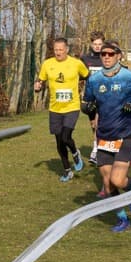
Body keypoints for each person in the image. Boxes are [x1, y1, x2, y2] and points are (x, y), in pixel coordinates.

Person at [80, 41, 131, 232]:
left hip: (126, 134)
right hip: (104, 135)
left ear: (118, 55)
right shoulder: (94, 79)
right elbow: (85, 104)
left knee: (118, 180)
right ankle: (122, 219)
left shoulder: (130, 77)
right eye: (103, 53)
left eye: (110, 54)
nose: (106, 56)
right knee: (107, 182)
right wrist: (89, 108)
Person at [34, 37, 90, 181]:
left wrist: (88, 94)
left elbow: (88, 76)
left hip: (72, 107)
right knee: (59, 141)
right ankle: (67, 171)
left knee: (66, 136)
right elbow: (41, 81)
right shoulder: (47, 64)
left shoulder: (76, 64)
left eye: (61, 50)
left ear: (67, 50)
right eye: (55, 50)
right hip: (55, 108)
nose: (58, 52)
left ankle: (75, 153)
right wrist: (38, 86)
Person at [80, 31, 106, 164]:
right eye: (95, 44)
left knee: (98, 123)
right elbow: (79, 75)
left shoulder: (106, 57)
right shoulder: (85, 59)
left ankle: (96, 151)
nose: (97, 46)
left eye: (100, 44)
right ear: (91, 44)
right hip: (90, 97)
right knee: (93, 125)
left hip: (104, 97)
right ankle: (99, 146)